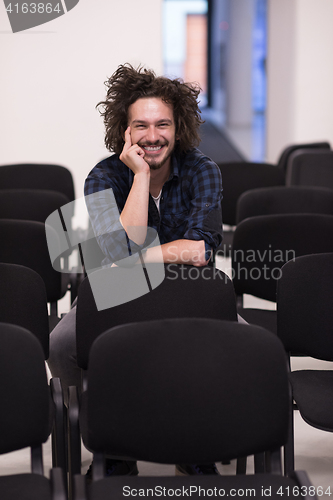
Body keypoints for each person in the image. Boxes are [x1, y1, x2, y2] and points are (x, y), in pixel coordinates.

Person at [48, 63, 223, 478]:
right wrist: (141, 176)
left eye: (163, 124)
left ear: (178, 127)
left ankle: (199, 446)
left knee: (244, 343)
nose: (152, 136)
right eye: (140, 126)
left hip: (189, 292)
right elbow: (114, 250)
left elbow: (199, 250)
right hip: (117, 296)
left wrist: (133, 258)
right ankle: (110, 447)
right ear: (124, 132)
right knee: (60, 344)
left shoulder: (203, 170)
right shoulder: (104, 176)